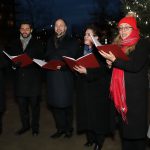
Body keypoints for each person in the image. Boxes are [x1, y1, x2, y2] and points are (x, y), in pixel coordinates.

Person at [99, 14, 150, 150]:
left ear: (133, 28)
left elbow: (135, 66)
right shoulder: (118, 45)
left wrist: (115, 61)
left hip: (136, 97)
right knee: (125, 135)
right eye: (120, 28)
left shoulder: (142, 43)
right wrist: (110, 64)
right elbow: (117, 68)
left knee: (137, 135)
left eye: (126, 27)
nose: (122, 31)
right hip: (122, 96)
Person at [73, 25, 115, 150]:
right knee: (86, 115)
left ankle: (99, 142)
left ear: (96, 37)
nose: (85, 36)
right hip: (84, 88)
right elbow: (76, 65)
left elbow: (104, 70)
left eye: (89, 34)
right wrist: (75, 68)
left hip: (98, 90)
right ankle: (90, 139)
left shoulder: (102, 51)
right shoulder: (80, 50)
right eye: (85, 34)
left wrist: (87, 72)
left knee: (98, 117)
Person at [5, 22, 44, 136]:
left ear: (31, 30)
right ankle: (25, 126)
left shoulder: (38, 43)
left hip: (33, 81)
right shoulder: (14, 43)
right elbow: (10, 61)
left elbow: (42, 60)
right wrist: (13, 65)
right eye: (23, 29)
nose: (25, 31)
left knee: (35, 107)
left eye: (27, 29)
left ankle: (35, 128)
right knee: (22, 107)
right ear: (20, 30)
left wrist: (31, 62)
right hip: (20, 81)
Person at [45, 18, 80, 138]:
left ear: (65, 28)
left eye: (61, 25)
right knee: (55, 106)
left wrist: (64, 66)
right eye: (56, 25)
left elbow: (74, 58)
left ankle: (68, 129)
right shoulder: (50, 40)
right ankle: (60, 129)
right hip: (52, 77)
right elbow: (47, 55)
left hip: (65, 77)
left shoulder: (72, 41)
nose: (58, 27)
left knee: (66, 105)